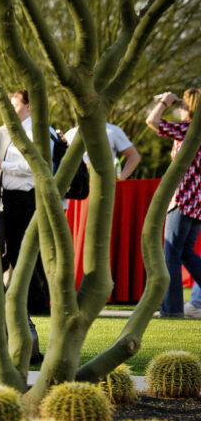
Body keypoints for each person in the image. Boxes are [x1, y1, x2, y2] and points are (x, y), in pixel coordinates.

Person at [0, 89, 52, 314]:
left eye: (15, 106)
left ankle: (38, 301)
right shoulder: (20, 132)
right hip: (13, 198)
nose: (10, 112)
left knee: (22, 250)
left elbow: (33, 167)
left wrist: (1, 165)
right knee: (20, 250)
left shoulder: (35, 132)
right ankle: (36, 299)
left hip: (26, 198)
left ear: (29, 106)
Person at [146, 88, 201, 318]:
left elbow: (153, 121)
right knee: (186, 251)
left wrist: (165, 102)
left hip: (183, 199)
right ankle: (173, 307)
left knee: (171, 253)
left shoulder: (189, 129)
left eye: (183, 105)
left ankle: (172, 309)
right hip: (197, 201)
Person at [64, 123, 141, 180]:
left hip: (105, 186)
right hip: (78, 188)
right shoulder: (70, 133)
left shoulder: (113, 131)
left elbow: (134, 156)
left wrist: (120, 178)